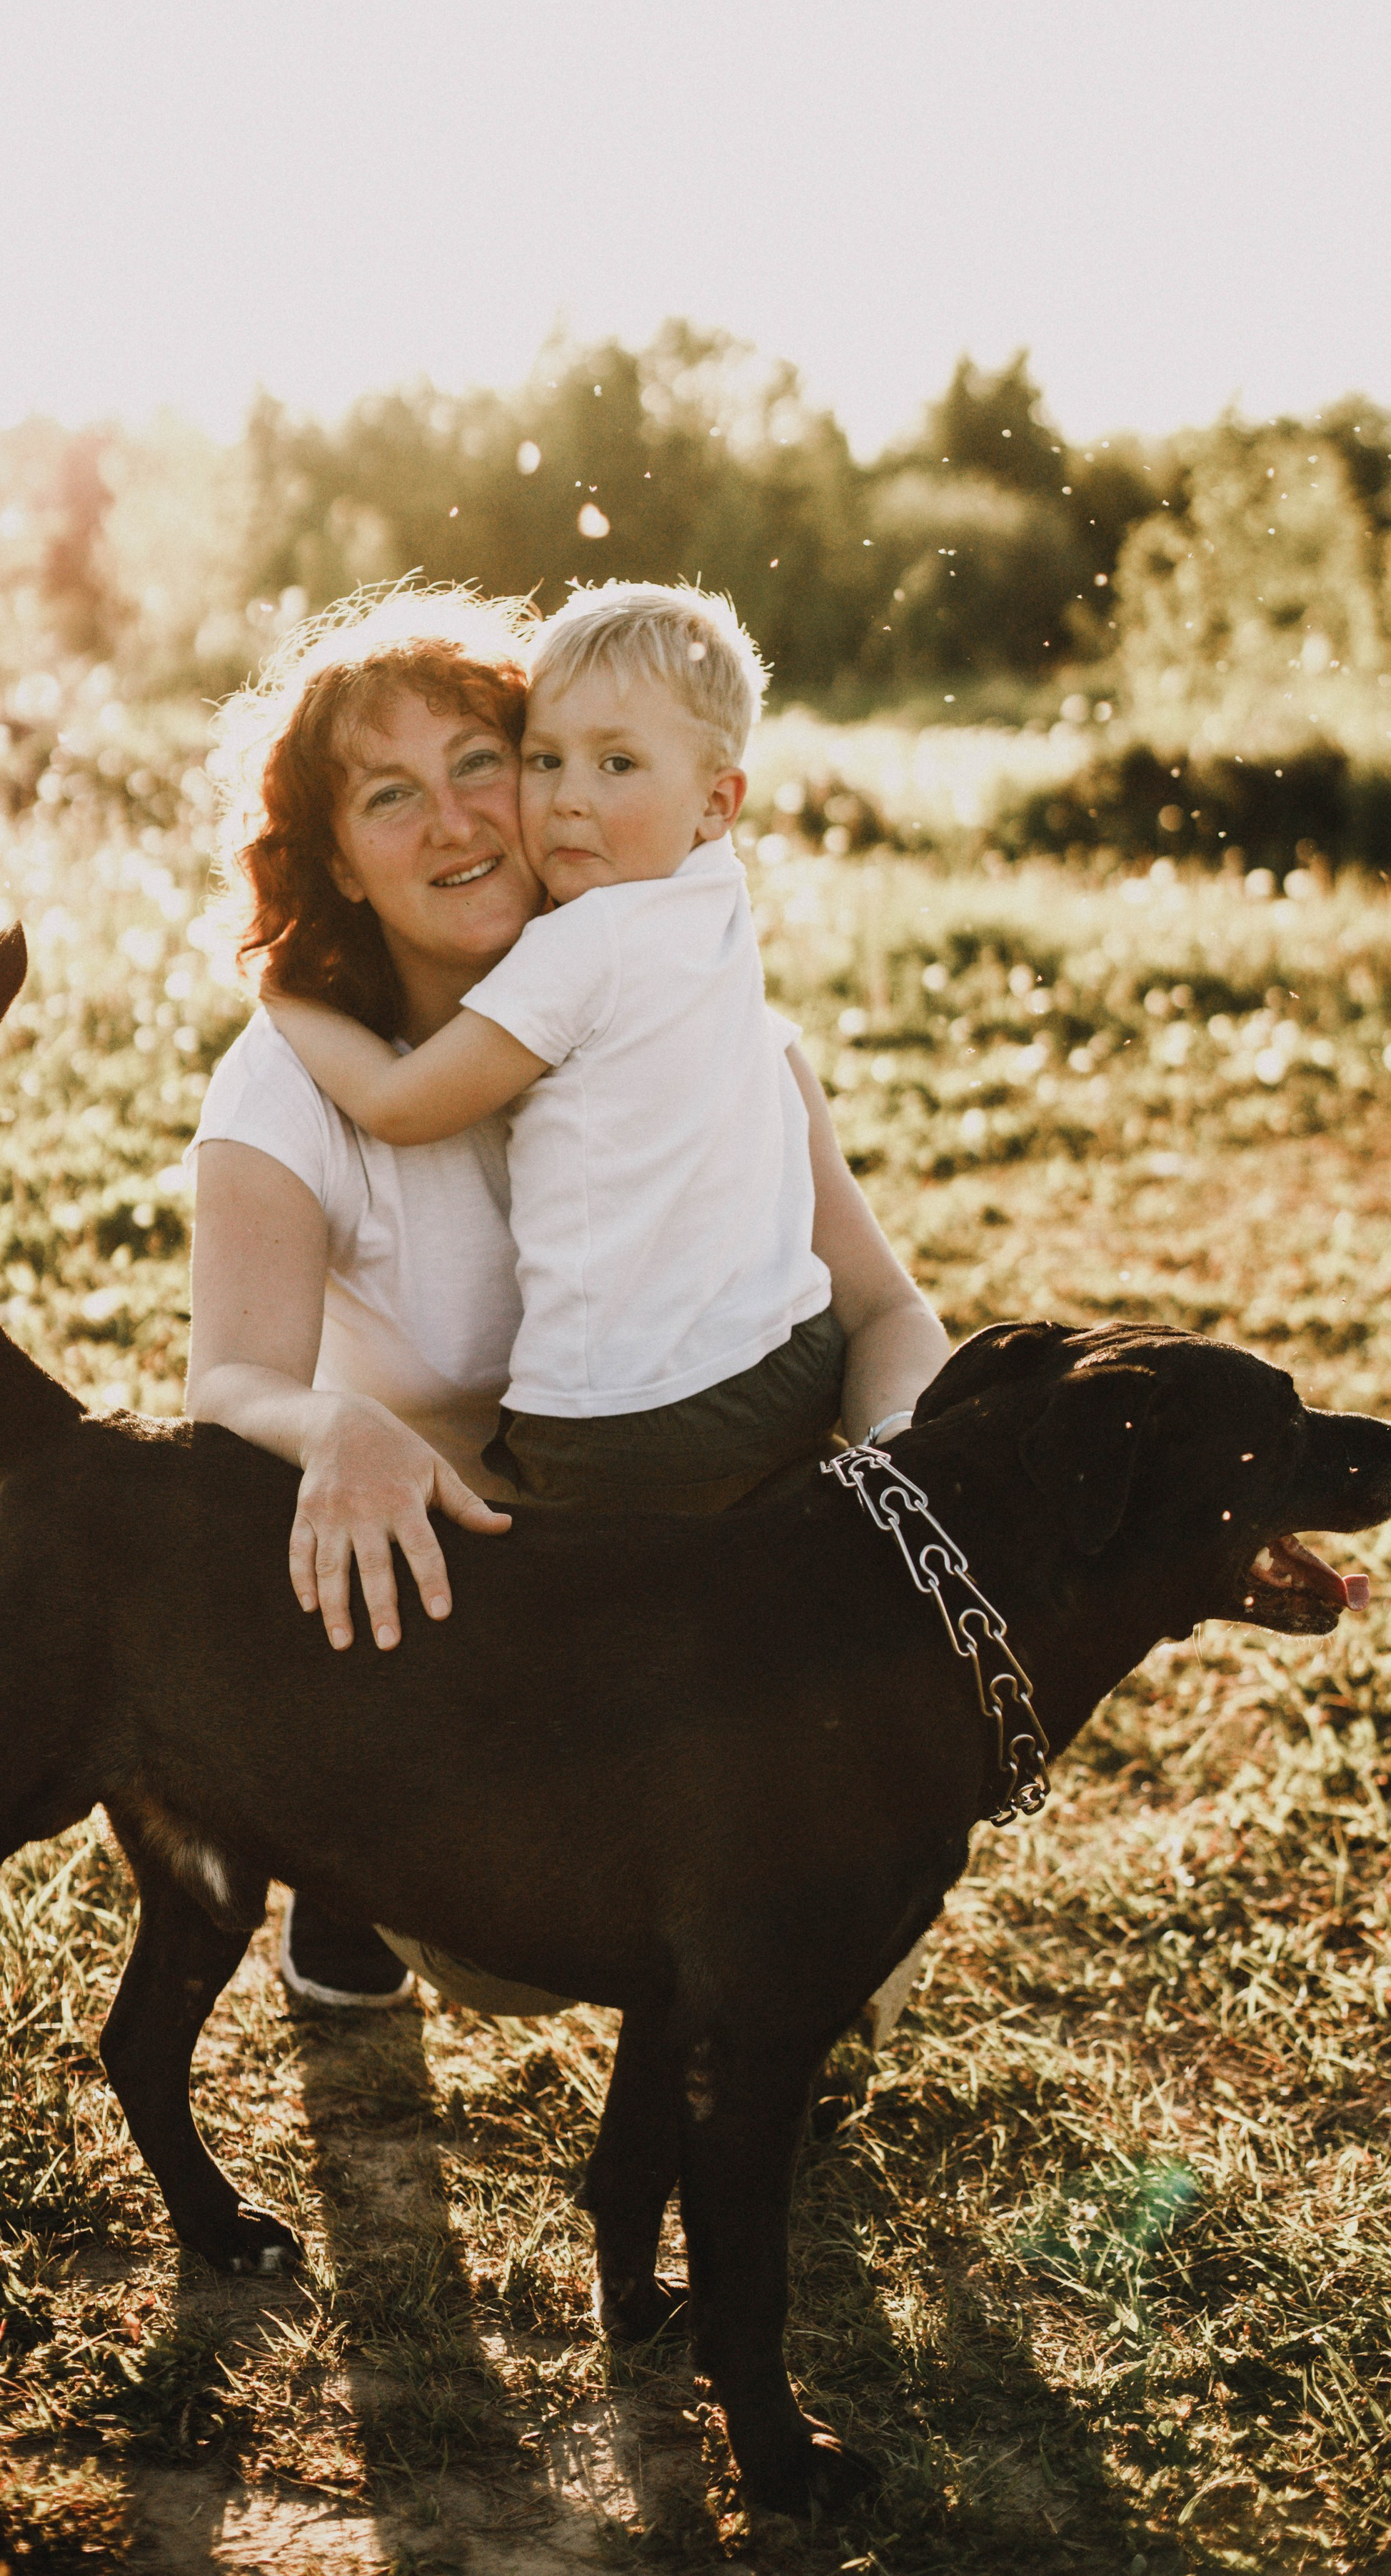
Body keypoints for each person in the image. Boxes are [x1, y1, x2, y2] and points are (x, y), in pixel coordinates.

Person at [186, 582, 950, 2009]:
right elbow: (224, 1386)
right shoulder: (289, 1091)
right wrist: (333, 1430)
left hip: (690, 1563)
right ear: (340, 862)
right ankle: (341, 1868)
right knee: (516, 1963)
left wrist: (906, 1455)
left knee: (820, 1941)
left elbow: (883, 1313)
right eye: (391, 796)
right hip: (467, 1594)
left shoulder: (701, 1040)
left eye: (486, 760)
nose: (464, 819)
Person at [261, 582, 842, 1518]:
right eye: (546, 760)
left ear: (716, 801)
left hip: (621, 1423)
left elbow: (401, 1104)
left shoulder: (583, 943)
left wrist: (287, 1002)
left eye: (617, 764)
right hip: (795, 1357)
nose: (571, 800)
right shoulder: (714, 896)